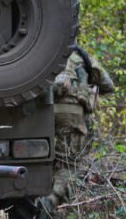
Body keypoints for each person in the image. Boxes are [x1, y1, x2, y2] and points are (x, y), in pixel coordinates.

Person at [48, 47, 115, 209]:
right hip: (70, 116)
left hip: (39, 114)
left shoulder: (36, 53)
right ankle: (48, 206)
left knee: (43, 161)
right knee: (67, 165)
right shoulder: (80, 57)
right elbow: (108, 85)